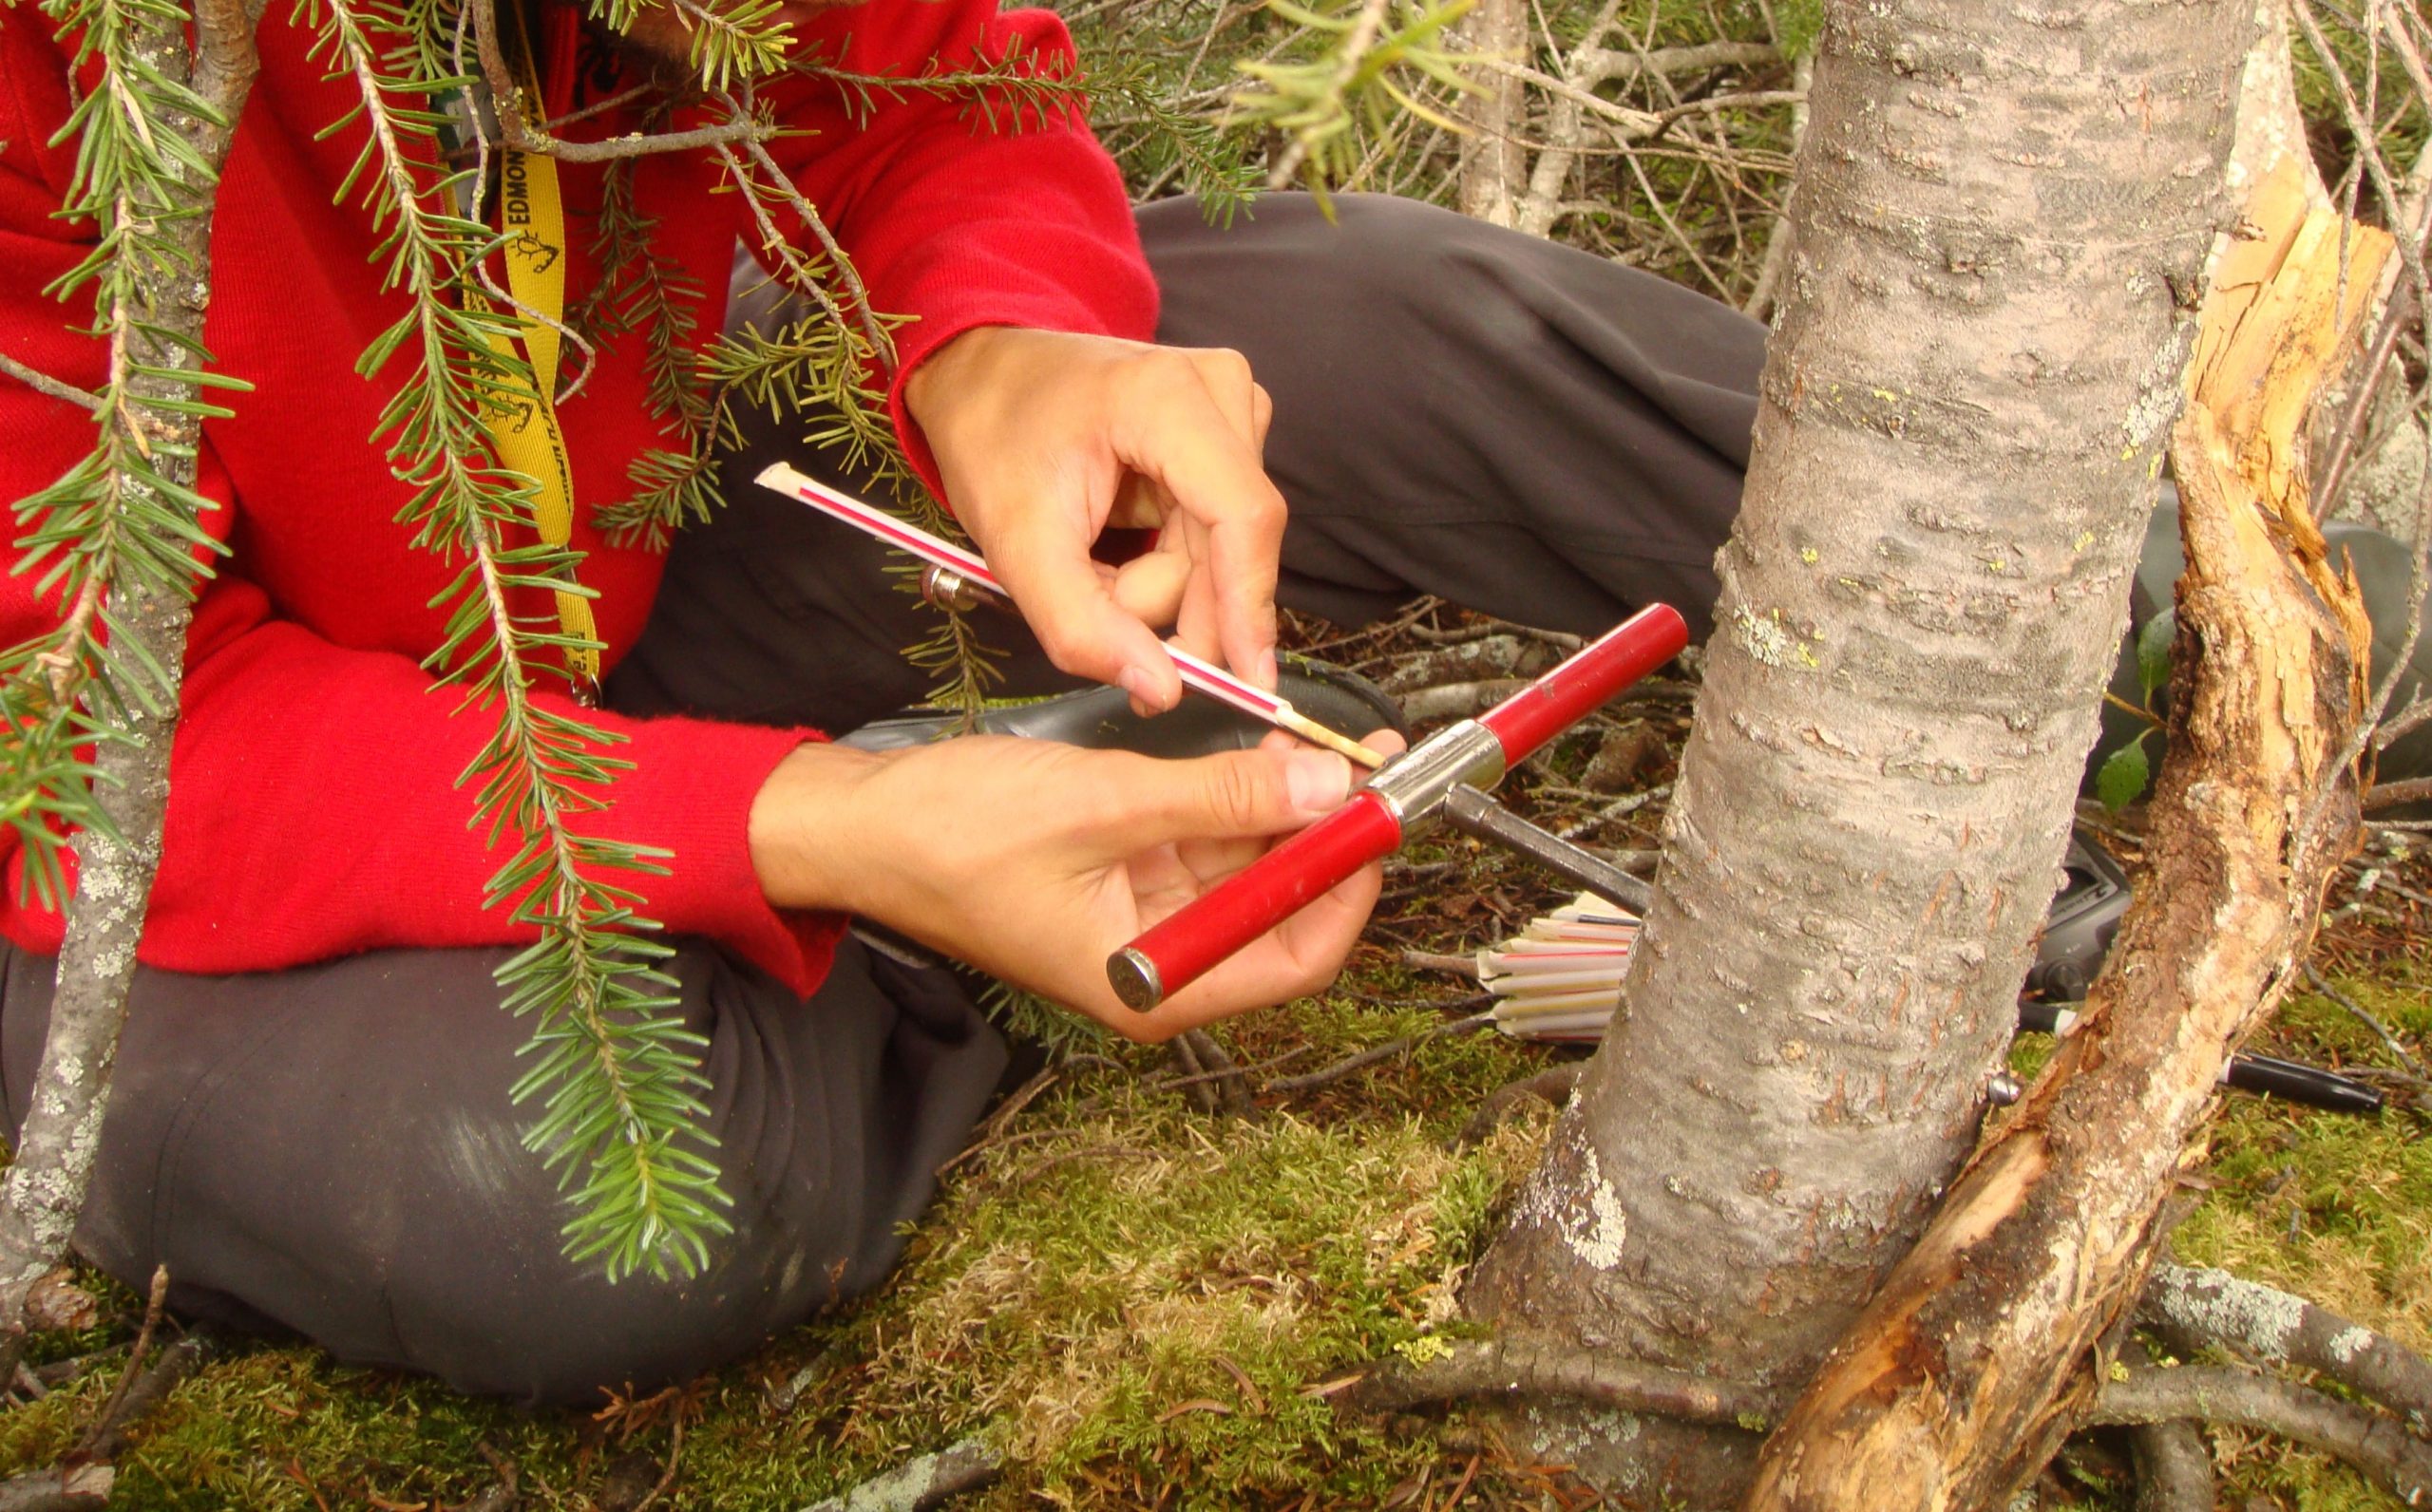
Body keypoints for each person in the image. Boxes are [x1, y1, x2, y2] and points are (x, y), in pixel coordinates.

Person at [0, 0, 1758, 1401]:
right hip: (118, 861)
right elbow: (85, 738)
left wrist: (1003, 343)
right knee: (563, 1197)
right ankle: (928, 918)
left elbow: (928, 81)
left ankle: (1998, 621)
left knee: (1384, 327)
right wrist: (819, 834)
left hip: (614, 566)